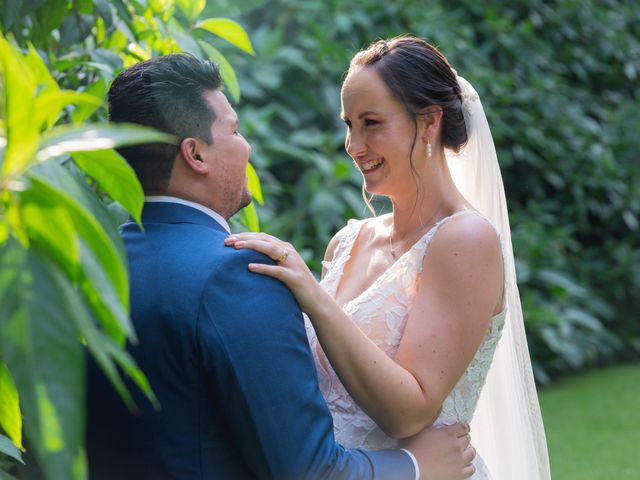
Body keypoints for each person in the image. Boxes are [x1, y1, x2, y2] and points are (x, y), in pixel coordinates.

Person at [85, 52, 476, 480]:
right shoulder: (237, 275)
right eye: (234, 130)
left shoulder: (95, 265)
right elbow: (307, 469)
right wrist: (418, 466)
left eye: (371, 123)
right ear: (195, 154)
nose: (247, 145)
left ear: (430, 122)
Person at [225, 36, 551, 479]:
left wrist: (310, 295)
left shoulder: (465, 240)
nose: (354, 144)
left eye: (371, 123)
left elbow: (409, 412)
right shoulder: (347, 242)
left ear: (429, 121)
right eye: (348, 124)